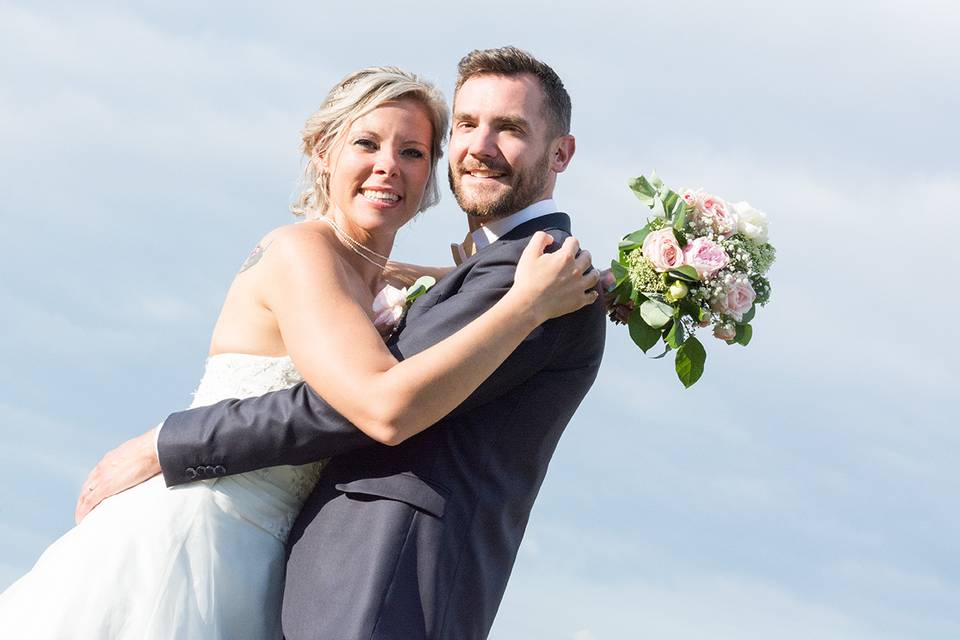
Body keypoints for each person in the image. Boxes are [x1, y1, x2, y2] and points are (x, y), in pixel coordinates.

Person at [0, 62, 600, 639]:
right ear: (322, 151)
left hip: (276, 561)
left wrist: (609, 281)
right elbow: (373, 402)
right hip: (204, 536)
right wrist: (165, 443)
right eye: (366, 143)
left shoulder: (390, 275)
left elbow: (429, 302)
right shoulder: (301, 253)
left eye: (412, 152)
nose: (388, 167)